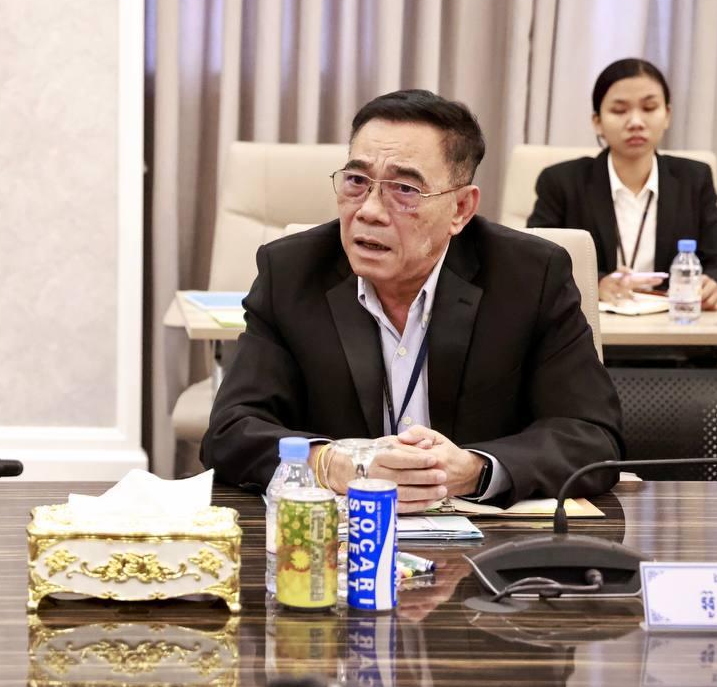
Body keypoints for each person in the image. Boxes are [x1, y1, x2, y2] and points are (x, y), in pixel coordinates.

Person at [202, 89, 623, 513]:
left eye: (404, 189)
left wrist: (473, 470)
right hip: (339, 537)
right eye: (357, 181)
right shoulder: (292, 272)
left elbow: (592, 435)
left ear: (460, 208)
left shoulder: (530, 276)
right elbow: (230, 430)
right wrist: (332, 464)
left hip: (487, 539)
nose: (369, 210)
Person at [527, 57, 717, 309]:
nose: (636, 122)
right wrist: (596, 284)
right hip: (589, 324)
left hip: (672, 322)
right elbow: (535, 259)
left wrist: (713, 282)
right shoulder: (560, 182)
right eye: (619, 111)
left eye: (649, 108)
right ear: (597, 122)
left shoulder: (694, 178)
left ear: (667, 115)